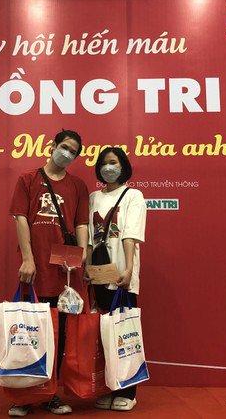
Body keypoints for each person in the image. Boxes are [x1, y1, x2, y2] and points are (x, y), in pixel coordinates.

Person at [8, 129, 90, 417]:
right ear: (53, 145)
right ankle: (23, 396)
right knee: (30, 334)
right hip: (35, 270)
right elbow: (20, 218)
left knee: (59, 336)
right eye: (64, 147)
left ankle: (50, 394)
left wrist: (81, 257)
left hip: (64, 276)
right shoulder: (28, 179)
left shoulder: (78, 186)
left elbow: (81, 224)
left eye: (73, 152)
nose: (67, 153)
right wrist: (28, 259)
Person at [87, 147, 146, 412]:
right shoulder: (93, 197)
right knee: (103, 335)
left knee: (124, 333)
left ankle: (128, 391)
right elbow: (90, 236)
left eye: (113, 162)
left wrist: (129, 268)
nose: (108, 167)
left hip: (122, 273)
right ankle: (109, 388)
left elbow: (131, 234)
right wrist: (87, 267)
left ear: (123, 166)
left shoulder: (134, 195)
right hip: (100, 274)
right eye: (104, 163)